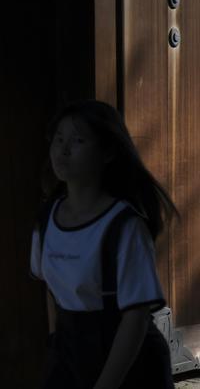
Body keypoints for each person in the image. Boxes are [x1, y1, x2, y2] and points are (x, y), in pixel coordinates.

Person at [31, 99, 178, 389]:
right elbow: (50, 287)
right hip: (69, 354)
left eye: (78, 140)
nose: (63, 149)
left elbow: (134, 319)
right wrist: (55, 343)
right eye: (58, 139)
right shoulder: (47, 219)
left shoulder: (124, 227)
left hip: (129, 361)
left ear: (108, 152)